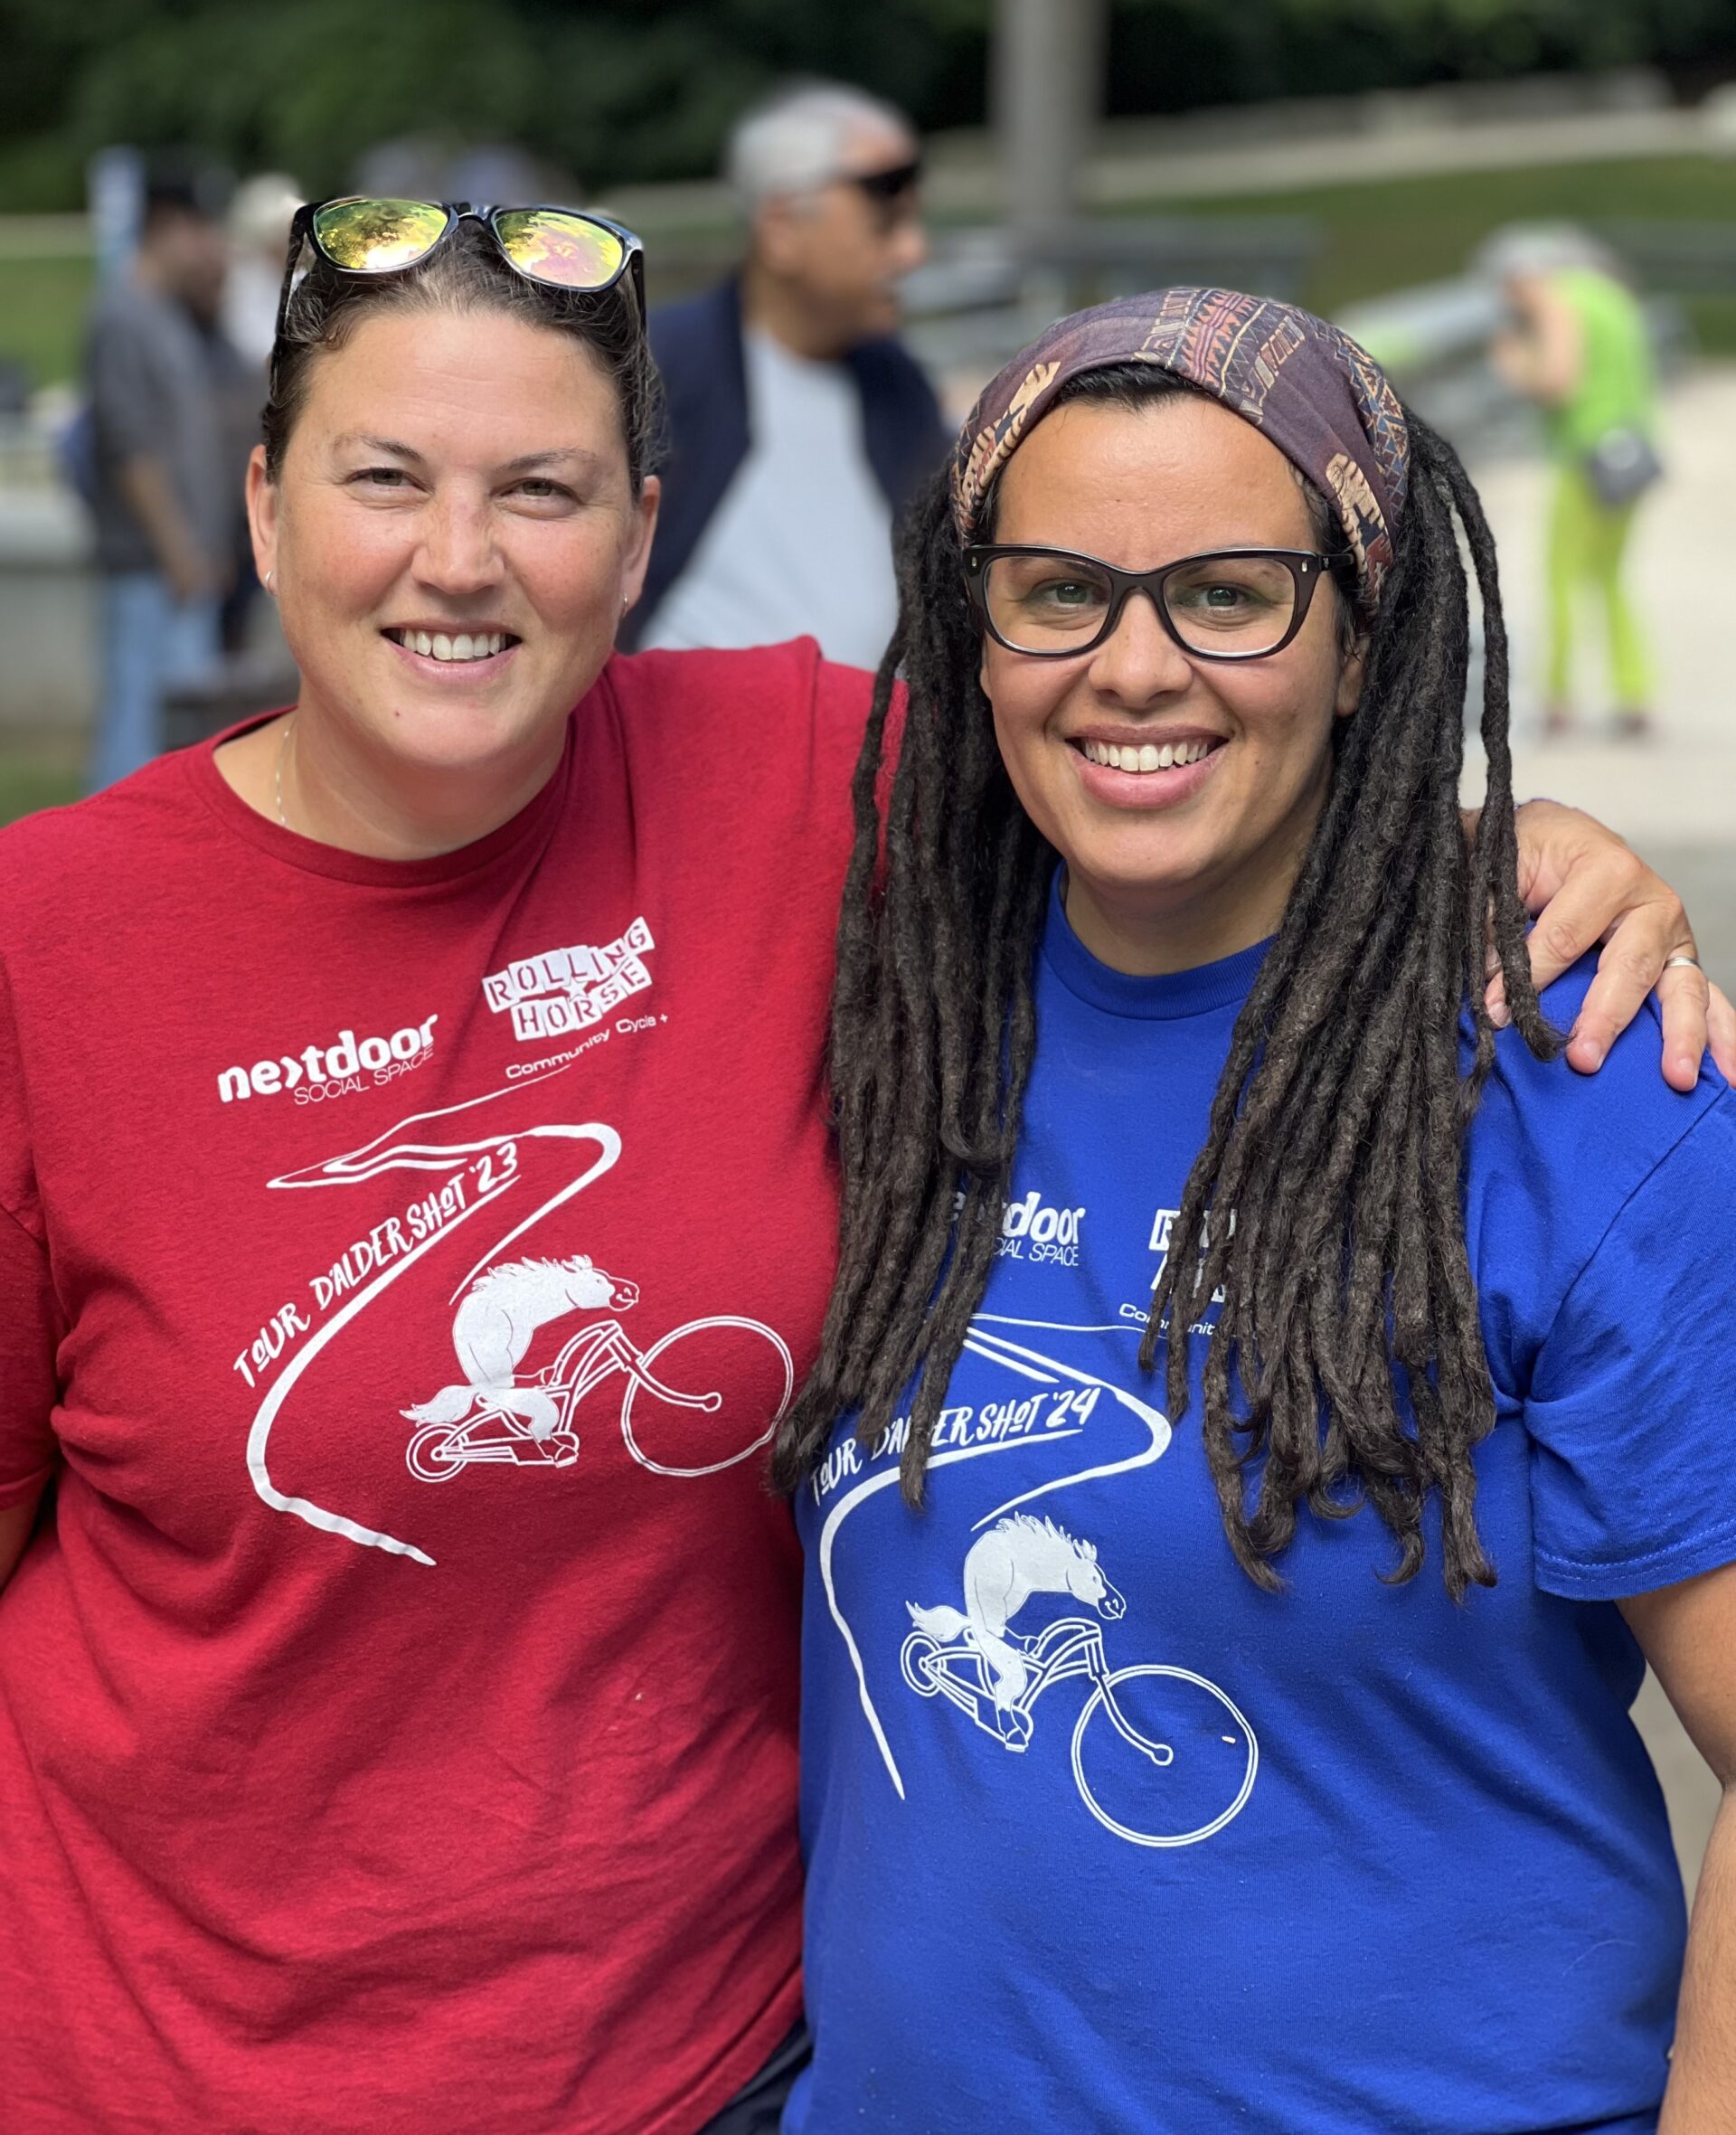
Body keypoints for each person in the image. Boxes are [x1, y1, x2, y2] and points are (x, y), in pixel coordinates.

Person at [0, 214, 1723, 2135]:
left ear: (642, 535)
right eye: (382, 476)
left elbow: (1176, 748)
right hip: (168, 2070)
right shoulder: (48, 946)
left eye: (542, 488)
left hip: (708, 2076)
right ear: (260, 500)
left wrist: (1508, 841)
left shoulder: (798, 782)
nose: (457, 556)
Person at [777, 290, 1736, 2134]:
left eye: (1228, 592)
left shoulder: (1586, 1088)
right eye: (1061, 591)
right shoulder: (894, 1032)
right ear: (977, 632)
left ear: (1364, 637)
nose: (1135, 666)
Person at [626, 80, 947, 668]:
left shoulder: (898, 383)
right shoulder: (656, 369)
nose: (912, 253)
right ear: (780, 226)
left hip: (883, 747)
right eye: (885, 221)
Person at [80, 174, 236, 789]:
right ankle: (98, 860)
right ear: (166, 228)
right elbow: (130, 445)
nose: (208, 246)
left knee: (176, 724)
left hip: (182, 561)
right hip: (151, 562)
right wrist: (178, 547)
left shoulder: (167, 316)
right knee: (137, 722)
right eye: (199, 231)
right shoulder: (120, 316)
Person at [1486, 228, 1660, 736]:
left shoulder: (1558, 301)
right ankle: (1635, 692)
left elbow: (1560, 380)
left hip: (1585, 456)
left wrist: (1516, 366)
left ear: (1527, 274)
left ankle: (1558, 699)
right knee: (1611, 578)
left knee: (1561, 576)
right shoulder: (1613, 297)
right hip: (1632, 454)